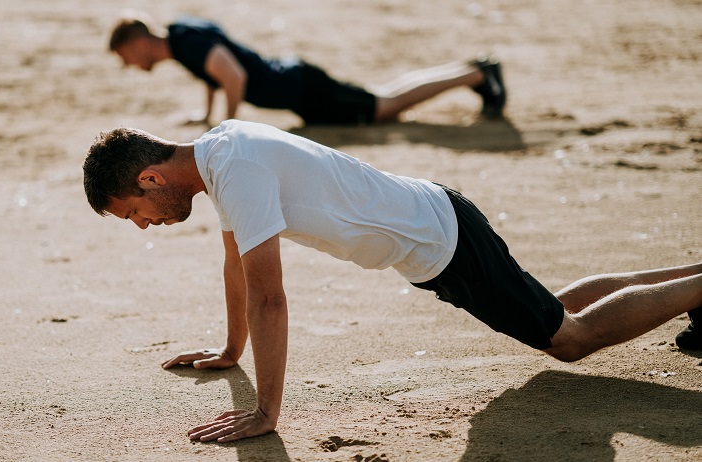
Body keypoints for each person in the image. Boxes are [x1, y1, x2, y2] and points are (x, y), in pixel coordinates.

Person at [82, 119, 701, 443]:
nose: (143, 226)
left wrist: (267, 411)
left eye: (132, 213)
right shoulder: (220, 154)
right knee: (557, 306)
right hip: (436, 224)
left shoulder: (233, 169)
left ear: (150, 180)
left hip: (441, 242)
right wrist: (230, 351)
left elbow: (270, 294)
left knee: (567, 338)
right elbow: (236, 265)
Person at [108, 12, 506, 126]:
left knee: (386, 107)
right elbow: (215, 74)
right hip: (297, 84)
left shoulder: (187, 45)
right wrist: (207, 114)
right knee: (384, 94)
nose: (129, 65)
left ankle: (477, 75)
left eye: (125, 56)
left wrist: (228, 127)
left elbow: (234, 76)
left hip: (301, 89)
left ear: (138, 42)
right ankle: (473, 69)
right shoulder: (181, 35)